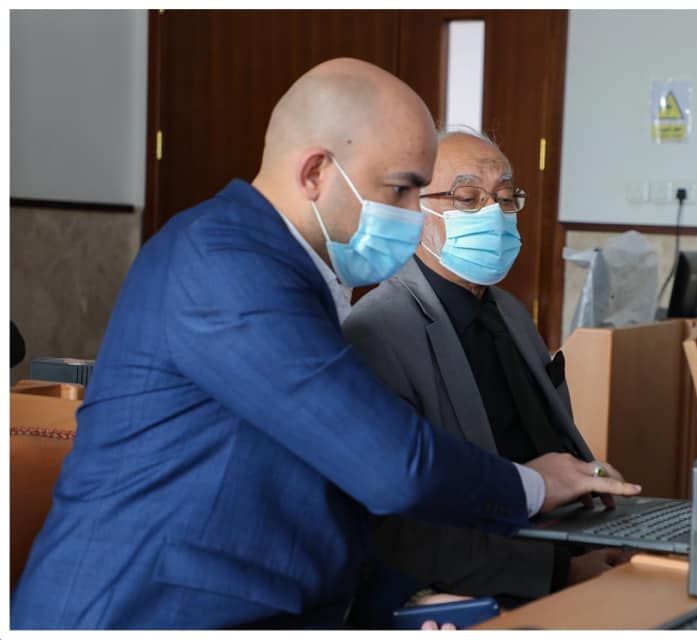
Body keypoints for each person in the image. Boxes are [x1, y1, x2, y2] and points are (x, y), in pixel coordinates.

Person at [11, 59, 640, 630]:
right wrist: (531, 486)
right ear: (315, 172)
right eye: (399, 190)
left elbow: (323, 494)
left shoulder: (296, 270)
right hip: (150, 610)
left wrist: (410, 599)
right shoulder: (224, 261)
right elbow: (390, 464)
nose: (412, 212)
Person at [343, 129, 633, 610]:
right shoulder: (378, 331)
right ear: (415, 209)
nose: (494, 213)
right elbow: (403, 528)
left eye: (504, 197)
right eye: (467, 198)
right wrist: (562, 572)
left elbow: (544, 443)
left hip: (566, 538)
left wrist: (595, 492)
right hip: (478, 584)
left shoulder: (510, 312)